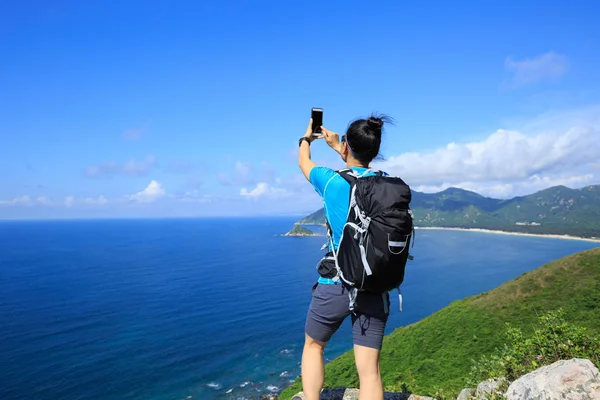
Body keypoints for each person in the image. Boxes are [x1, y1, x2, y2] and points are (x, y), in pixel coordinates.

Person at [297, 113, 393, 400]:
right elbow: (360, 169)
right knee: (370, 371)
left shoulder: (331, 182)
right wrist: (343, 148)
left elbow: (303, 162)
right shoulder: (386, 184)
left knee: (314, 346)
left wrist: (307, 138)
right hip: (375, 284)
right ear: (375, 150)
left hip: (336, 285)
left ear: (347, 147)